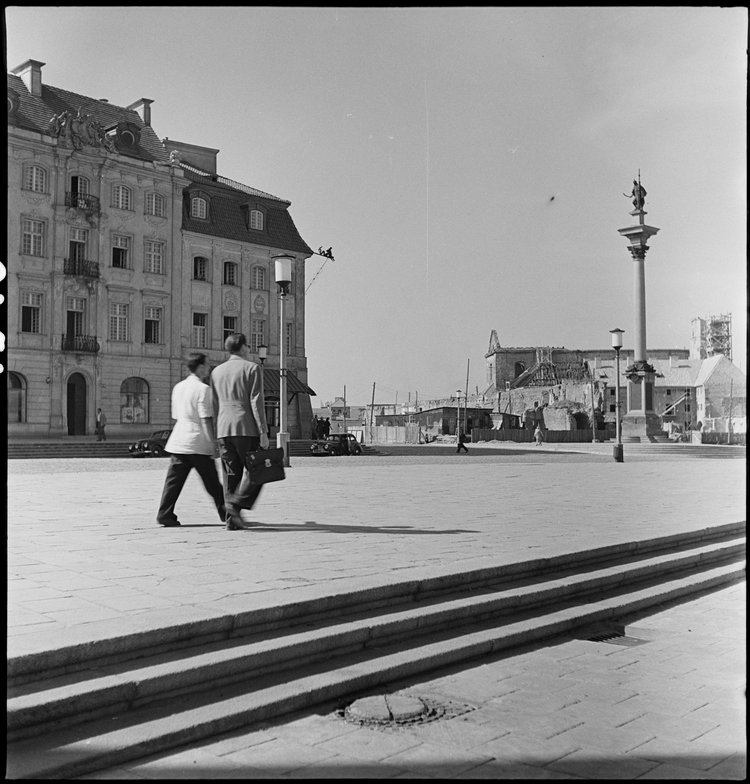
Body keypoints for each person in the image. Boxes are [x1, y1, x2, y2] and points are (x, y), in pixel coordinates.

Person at [156, 353, 226, 528]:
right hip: (197, 441)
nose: (209, 368)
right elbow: (205, 418)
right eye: (207, 364)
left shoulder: (178, 387)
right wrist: (213, 443)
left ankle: (164, 514)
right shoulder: (203, 389)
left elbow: (175, 415)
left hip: (179, 440)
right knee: (212, 483)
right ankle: (227, 514)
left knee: (173, 482)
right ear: (200, 367)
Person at [209, 333, 269, 530]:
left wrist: (216, 432)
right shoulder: (252, 368)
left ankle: (231, 521)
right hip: (246, 426)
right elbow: (256, 401)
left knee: (231, 474)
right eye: (247, 345)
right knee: (258, 470)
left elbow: (214, 405)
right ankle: (236, 504)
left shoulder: (216, 372)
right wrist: (263, 431)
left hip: (224, 428)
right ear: (243, 347)